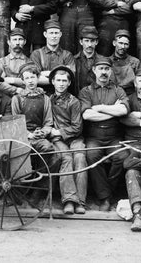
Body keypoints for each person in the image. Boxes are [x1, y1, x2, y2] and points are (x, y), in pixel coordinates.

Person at [79, 56, 129, 211]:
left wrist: (99, 107)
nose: (104, 72)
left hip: (114, 137)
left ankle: (108, 193)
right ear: (94, 70)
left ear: (111, 71)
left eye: (107, 69)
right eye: (100, 69)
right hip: (94, 136)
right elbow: (87, 115)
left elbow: (124, 110)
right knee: (92, 156)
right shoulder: (86, 91)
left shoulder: (118, 90)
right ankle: (105, 197)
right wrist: (113, 111)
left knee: (122, 156)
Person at [49, 66, 87, 215]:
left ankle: (81, 201)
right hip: (58, 140)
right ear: (53, 81)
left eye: (64, 80)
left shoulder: (74, 102)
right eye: (58, 80)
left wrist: (58, 132)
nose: (61, 84)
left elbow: (77, 127)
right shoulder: (48, 100)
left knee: (80, 157)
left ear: (69, 83)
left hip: (74, 138)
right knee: (65, 157)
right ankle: (69, 200)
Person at [11, 64, 60, 177]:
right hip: (23, 137)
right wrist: (29, 134)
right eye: (27, 78)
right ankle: (26, 184)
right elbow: (16, 123)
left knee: (53, 154)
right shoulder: (17, 99)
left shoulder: (45, 98)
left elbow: (48, 122)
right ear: (23, 81)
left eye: (33, 77)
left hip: (40, 137)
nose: (30, 81)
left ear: (38, 78)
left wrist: (42, 132)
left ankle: (41, 187)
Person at [30, 20, 75, 90]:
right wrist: (60, 76)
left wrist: (43, 73)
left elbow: (70, 77)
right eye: (51, 33)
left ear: (60, 34)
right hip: (42, 94)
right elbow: (34, 78)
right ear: (45, 34)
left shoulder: (67, 55)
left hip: (62, 95)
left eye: (56, 33)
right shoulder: (36, 54)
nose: (54, 36)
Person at [106, 29, 140, 96]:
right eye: (120, 43)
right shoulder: (107, 61)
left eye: (126, 44)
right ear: (114, 43)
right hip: (111, 94)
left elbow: (139, 83)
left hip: (130, 95)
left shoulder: (135, 62)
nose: (123, 47)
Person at [73, 25, 101, 94]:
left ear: (96, 42)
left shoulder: (102, 60)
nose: (89, 44)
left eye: (92, 41)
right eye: (86, 41)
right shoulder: (74, 60)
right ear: (81, 42)